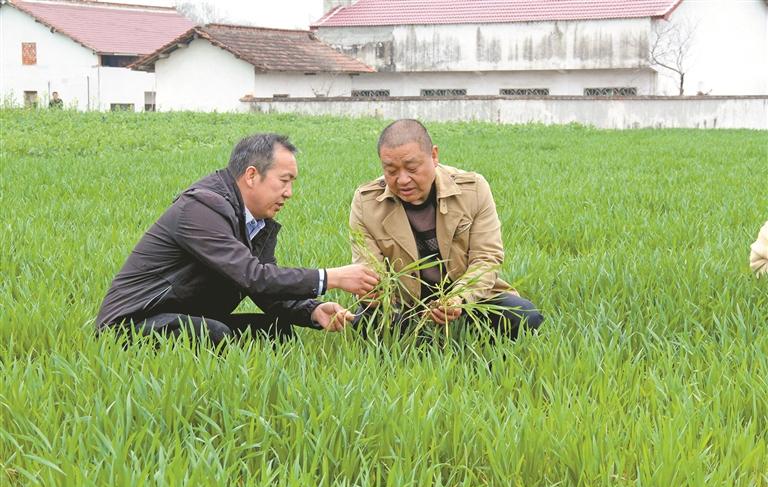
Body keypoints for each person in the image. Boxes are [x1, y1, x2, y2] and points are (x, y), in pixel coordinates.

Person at [97, 133, 379, 346]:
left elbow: (265, 289)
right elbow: (253, 276)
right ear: (252, 175)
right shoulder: (200, 208)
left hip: (184, 317)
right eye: (284, 180)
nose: (289, 192)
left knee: (275, 331)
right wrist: (330, 277)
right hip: (131, 326)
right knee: (214, 334)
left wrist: (312, 311)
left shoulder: (256, 223)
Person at [349, 119, 543, 338]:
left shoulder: (473, 190)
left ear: (434, 155)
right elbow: (369, 268)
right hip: (404, 305)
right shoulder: (367, 203)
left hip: (466, 299)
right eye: (391, 170)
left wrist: (457, 300)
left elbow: (487, 258)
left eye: (412, 168)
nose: (402, 180)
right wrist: (375, 293)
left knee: (524, 316)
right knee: (367, 327)